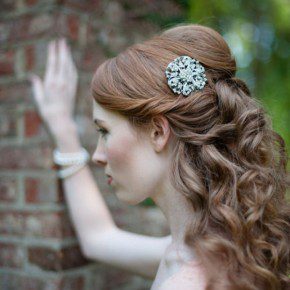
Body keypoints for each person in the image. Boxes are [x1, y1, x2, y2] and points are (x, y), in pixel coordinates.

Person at [30, 23, 290, 290]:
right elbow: (98, 239)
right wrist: (64, 131)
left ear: (157, 132)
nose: (98, 155)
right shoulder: (217, 249)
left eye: (104, 131)